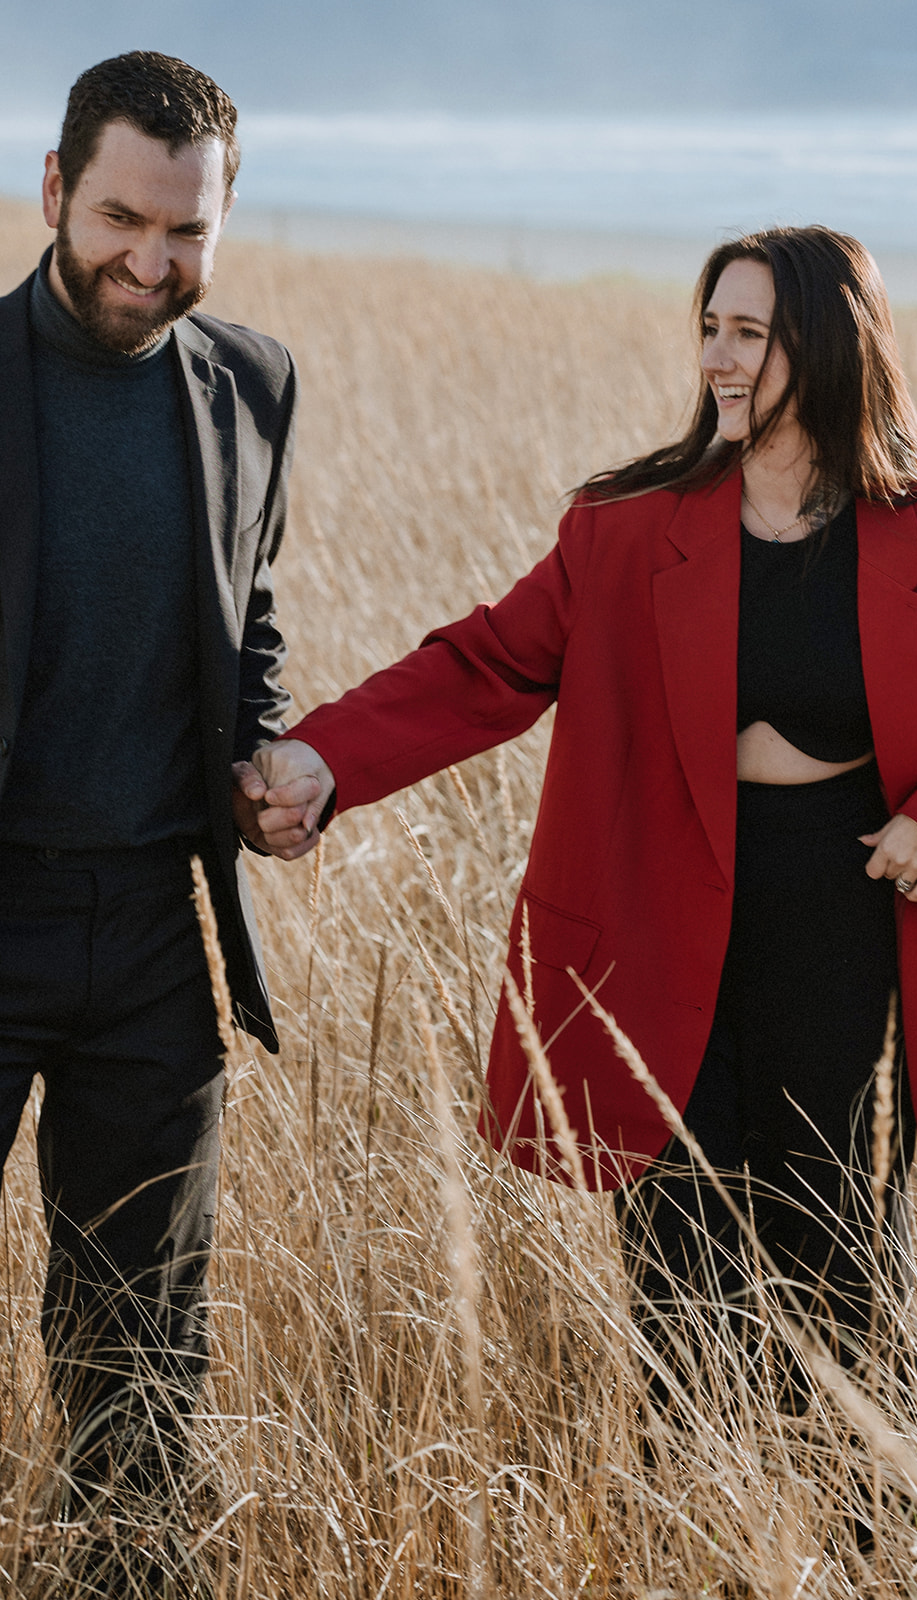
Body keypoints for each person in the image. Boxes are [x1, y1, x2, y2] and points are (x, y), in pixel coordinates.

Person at [250, 226, 917, 1405]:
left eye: (750, 334)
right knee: (680, 1287)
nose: (716, 359)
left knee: (842, 1278)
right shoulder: (625, 526)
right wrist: (325, 757)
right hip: (661, 924)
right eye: (708, 329)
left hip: (854, 920)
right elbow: (485, 665)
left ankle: (856, 1548)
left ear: (831, 348)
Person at [0, 49, 302, 1554]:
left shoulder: (252, 379)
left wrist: (261, 758)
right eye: (122, 217)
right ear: (54, 192)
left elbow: (245, 615)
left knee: (141, 1351)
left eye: (187, 232)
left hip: (153, 943)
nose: (151, 259)